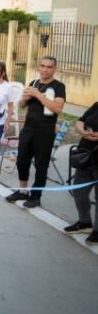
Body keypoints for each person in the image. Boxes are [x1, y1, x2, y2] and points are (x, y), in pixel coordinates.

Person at [5, 56, 66, 208]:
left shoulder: (59, 86)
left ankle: (36, 196)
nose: (45, 69)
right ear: (39, 67)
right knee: (21, 161)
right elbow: (23, 105)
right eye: (43, 66)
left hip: (45, 131)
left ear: (55, 69)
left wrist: (38, 95)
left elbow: (57, 108)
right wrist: (25, 97)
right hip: (28, 128)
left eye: (49, 67)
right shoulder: (34, 83)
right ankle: (23, 191)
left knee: (41, 165)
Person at [63, 100, 98, 244]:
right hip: (86, 155)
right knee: (79, 192)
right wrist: (82, 131)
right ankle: (85, 222)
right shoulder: (96, 105)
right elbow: (81, 121)